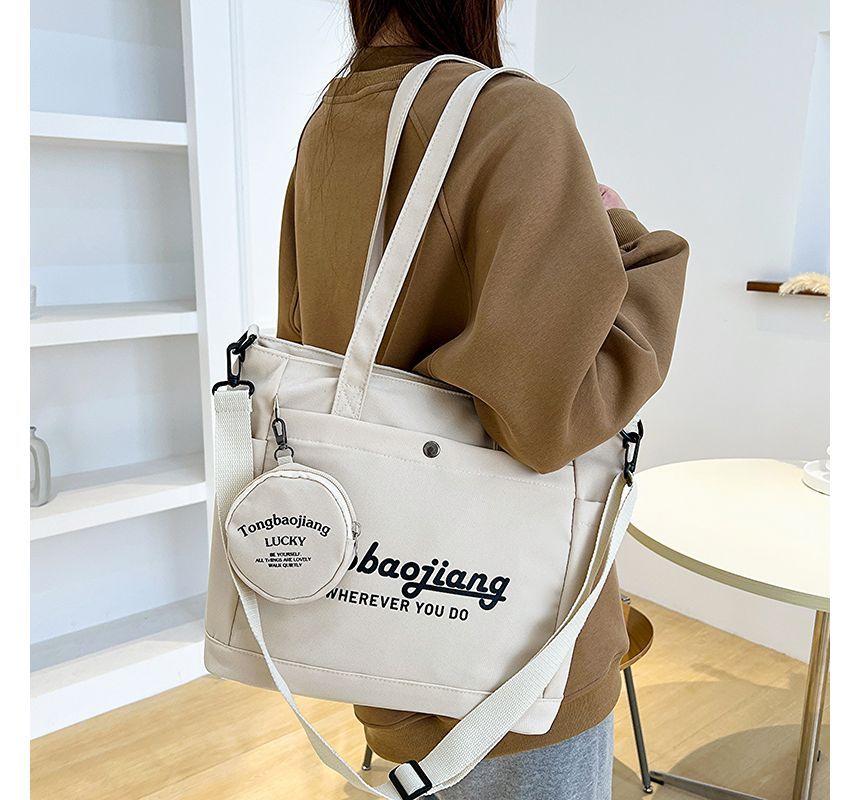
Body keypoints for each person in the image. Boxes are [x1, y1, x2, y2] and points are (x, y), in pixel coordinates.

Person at [277, 2, 688, 797]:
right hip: (513, 649)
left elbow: (311, 351)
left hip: (382, 603)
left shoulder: (331, 119)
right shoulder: (513, 118)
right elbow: (549, 419)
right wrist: (628, 240)